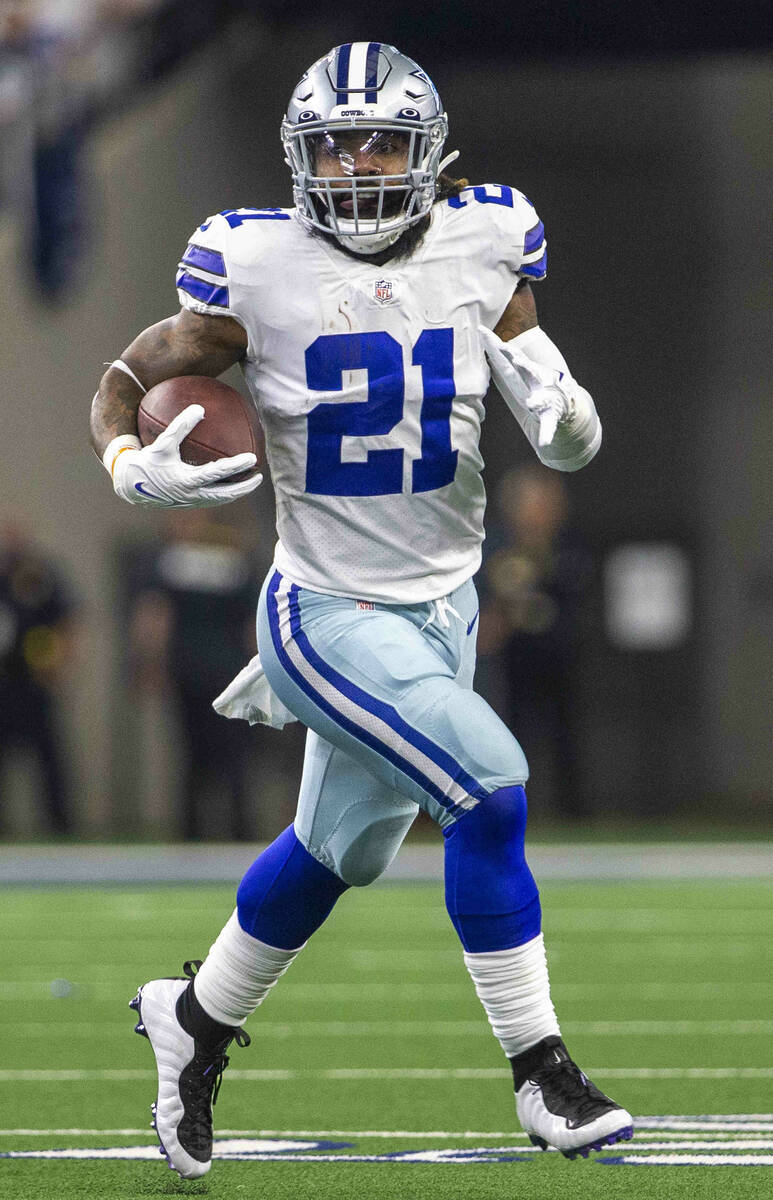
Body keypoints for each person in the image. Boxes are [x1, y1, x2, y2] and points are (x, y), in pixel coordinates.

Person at [89, 42, 631, 1179]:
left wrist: (567, 420)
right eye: (333, 144)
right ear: (300, 157)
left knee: (338, 853)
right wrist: (128, 459)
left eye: (379, 139)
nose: (355, 164)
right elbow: (127, 377)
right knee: (488, 793)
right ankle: (541, 1072)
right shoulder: (255, 262)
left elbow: (537, 377)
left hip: (442, 602)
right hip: (325, 608)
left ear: (427, 151)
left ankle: (191, 1018)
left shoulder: (487, 238)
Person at [126, 509, 265, 840]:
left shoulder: (169, 562)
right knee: (234, 757)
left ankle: (192, 833)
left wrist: (147, 665)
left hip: (188, 671)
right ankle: (239, 833)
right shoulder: (235, 561)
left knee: (192, 756)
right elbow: (254, 625)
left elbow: (154, 619)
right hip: (232, 675)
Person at [480, 465, 593, 819]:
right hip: (509, 660)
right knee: (510, 737)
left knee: (565, 738)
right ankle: (511, 811)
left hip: (560, 656)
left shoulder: (568, 546)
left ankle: (572, 813)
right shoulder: (496, 546)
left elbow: (578, 595)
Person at [0, 514, 79, 834]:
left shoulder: (40, 574)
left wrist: (60, 663)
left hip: (33, 681)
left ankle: (60, 826)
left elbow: (67, 620)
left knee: (49, 759)